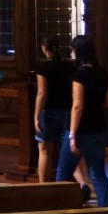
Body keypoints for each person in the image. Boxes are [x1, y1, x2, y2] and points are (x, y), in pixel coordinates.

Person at [56, 35, 108, 207]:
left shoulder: (80, 74)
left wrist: (72, 135)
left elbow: (77, 106)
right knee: (98, 174)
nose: (72, 53)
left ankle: (62, 212)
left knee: (63, 174)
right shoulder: (102, 72)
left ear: (78, 51)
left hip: (80, 130)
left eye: (73, 49)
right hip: (99, 129)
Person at [35, 34, 90, 199]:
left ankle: (44, 190)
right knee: (67, 152)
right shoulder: (69, 66)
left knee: (44, 151)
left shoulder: (43, 67)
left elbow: (42, 93)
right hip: (66, 111)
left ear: (44, 48)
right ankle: (83, 184)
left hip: (48, 112)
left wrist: (36, 115)